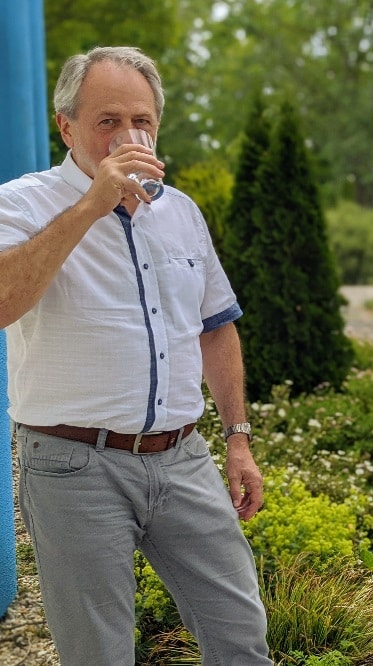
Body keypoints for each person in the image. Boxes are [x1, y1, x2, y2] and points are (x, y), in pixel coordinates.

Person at [0, 46, 271, 664]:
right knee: (99, 653)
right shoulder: (19, 204)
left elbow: (216, 330)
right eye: (108, 121)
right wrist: (92, 204)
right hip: (73, 465)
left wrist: (238, 437)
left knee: (240, 634)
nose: (129, 135)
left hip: (183, 460)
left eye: (142, 121)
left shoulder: (180, 213)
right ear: (66, 127)